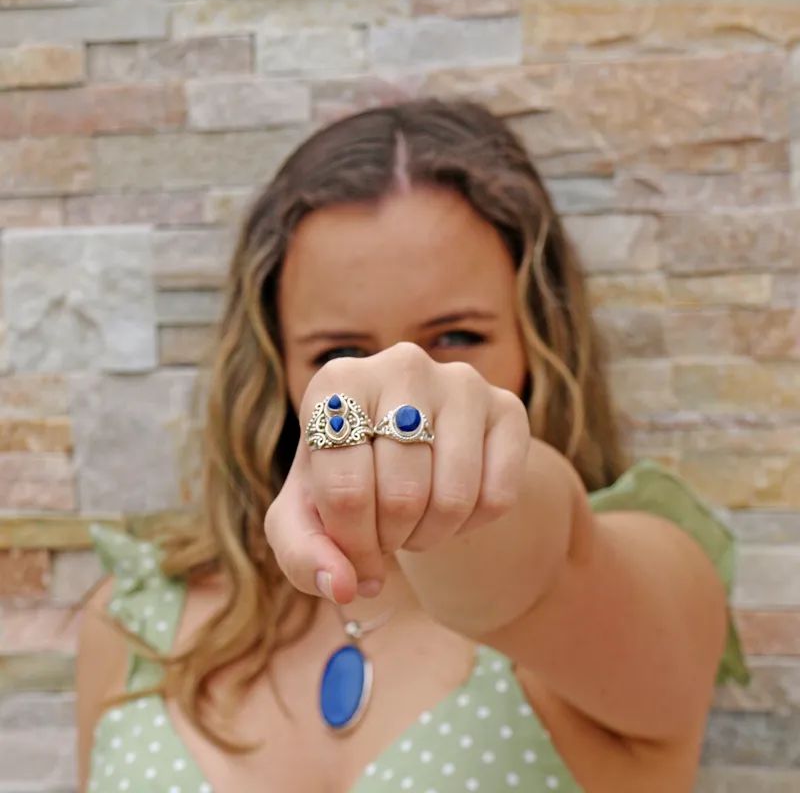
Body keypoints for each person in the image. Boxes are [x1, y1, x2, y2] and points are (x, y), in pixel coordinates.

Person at [76, 98, 748, 793]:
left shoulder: (645, 586)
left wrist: (465, 466)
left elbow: (534, 567)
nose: (399, 380)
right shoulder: (133, 623)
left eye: (457, 338)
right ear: (277, 366)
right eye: (339, 350)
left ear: (538, 341)